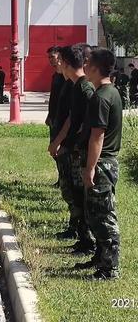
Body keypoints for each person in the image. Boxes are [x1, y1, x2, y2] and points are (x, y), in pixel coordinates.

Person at [77, 48, 122, 280]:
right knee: (94, 213)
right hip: (104, 162)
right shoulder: (109, 92)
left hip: (102, 163)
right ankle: (100, 257)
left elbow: (98, 136)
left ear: (95, 68)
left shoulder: (102, 97)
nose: (84, 66)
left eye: (87, 63)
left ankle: (110, 267)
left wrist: (90, 167)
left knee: (104, 215)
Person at [49, 45, 95, 251]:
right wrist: (58, 141)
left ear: (66, 63)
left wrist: (71, 145)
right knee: (73, 192)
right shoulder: (73, 85)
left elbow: (88, 126)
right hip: (70, 147)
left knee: (82, 195)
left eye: (59, 60)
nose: (56, 64)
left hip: (79, 151)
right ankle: (79, 231)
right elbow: (70, 118)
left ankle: (88, 239)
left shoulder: (85, 89)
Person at [45, 46, 65, 186]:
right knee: (54, 150)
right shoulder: (55, 76)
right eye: (49, 57)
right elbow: (53, 98)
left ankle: (64, 179)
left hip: (63, 119)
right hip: (54, 118)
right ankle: (61, 177)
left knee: (62, 150)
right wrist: (49, 115)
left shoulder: (66, 76)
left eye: (53, 57)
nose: (51, 60)